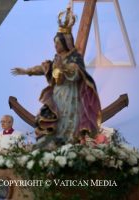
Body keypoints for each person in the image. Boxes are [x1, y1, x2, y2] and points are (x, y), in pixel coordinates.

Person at [11, 7, 101, 144]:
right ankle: (55, 142)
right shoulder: (57, 58)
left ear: (65, 43)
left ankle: (69, 143)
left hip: (70, 94)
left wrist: (63, 67)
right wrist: (26, 71)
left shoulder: (75, 57)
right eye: (54, 43)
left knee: (68, 120)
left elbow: (77, 72)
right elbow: (43, 68)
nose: (55, 46)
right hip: (57, 93)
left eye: (57, 43)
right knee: (52, 117)